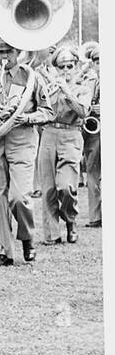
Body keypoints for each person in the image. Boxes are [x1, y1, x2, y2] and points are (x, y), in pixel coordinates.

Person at [0, 32, 53, 266]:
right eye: (0, 52)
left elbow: (48, 112)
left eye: (9, 52)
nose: (4, 57)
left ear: (17, 52)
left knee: (19, 196)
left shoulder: (31, 77)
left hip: (21, 141)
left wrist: (28, 118)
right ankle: (6, 251)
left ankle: (27, 238)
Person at [38, 44, 92, 246]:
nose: (66, 71)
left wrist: (68, 91)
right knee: (49, 188)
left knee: (67, 186)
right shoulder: (49, 87)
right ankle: (52, 234)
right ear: (56, 68)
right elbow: (41, 109)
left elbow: (83, 113)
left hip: (71, 134)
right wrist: (50, 90)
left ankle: (70, 221)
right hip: (49, 134)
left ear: (76, 66)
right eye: (62, 67)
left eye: (70, 66)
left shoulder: (83, 88)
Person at [81, 43, 101, 228]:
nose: (99, 64)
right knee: (92, 172)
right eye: (96, 61)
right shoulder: (90, 80)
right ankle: (95, 216)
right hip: (95, 131)